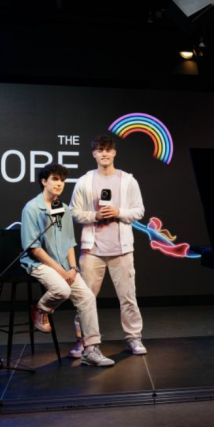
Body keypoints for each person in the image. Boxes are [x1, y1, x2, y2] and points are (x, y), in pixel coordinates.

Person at [20, 163, 115, 367]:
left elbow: (70, 243)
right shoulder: (31, 208)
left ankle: (90, 350)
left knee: (87, 298)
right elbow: (34, 249)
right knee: (62, 289)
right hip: (39, 263)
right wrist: (61, 271)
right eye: (55, 179)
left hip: (64, 265)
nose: (59, 184)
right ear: (44, 181)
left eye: (62, 180)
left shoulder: (62, 208)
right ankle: (40, 308)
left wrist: (72, 268)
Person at [69, 134, 147, 358]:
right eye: (100, 150)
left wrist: (118, 212)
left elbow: (139, 210)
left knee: (128, 297)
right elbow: (74, 212)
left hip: (121, 249)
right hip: (92, 250)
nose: (104, 154)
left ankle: (133, 337)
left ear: (114, 153)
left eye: (108, 150)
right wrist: (95, 215)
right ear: (94, 154)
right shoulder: (84, 181)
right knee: (85, 299)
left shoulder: (128, 180)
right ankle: (84, 341)